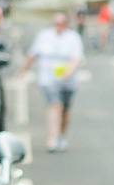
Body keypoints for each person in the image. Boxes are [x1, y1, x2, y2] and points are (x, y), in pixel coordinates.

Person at [19, 13, 85, 152]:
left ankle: (62, 135)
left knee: (65, 110)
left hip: (68, 81)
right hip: (48, 78)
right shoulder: (44, 36)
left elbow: (77, 58)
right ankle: (52, 138)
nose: (58, 26)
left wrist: (69, 71)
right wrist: (23, 69)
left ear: (66, 24)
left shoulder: (73, 38)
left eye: (61, 23)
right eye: (56, 23)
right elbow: (33, 54)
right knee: (55, 106)